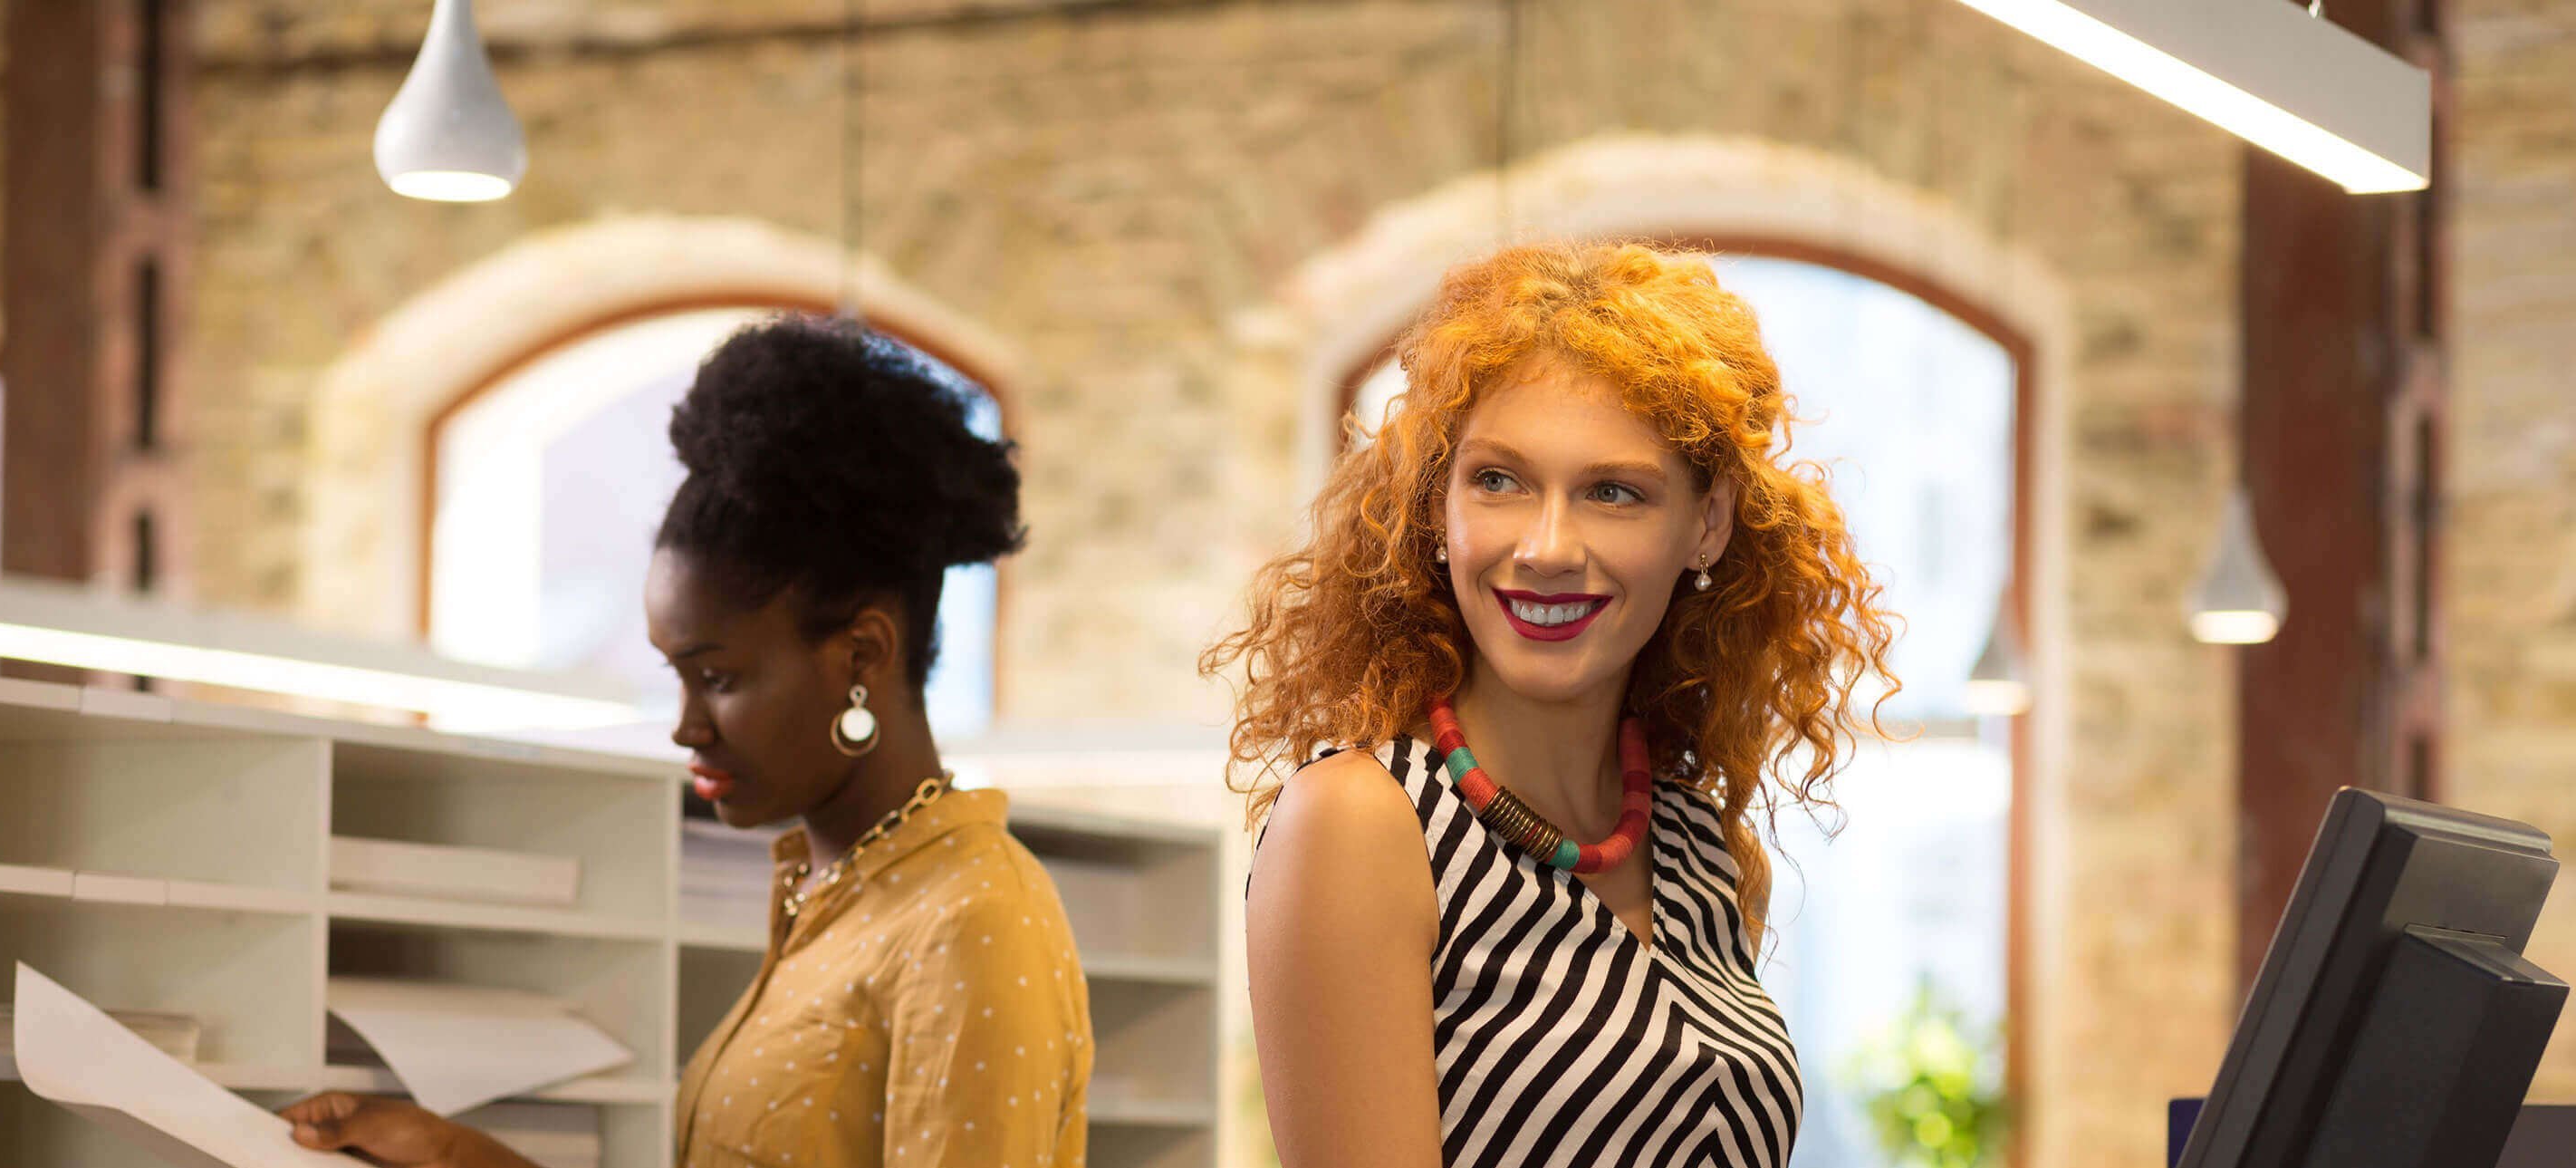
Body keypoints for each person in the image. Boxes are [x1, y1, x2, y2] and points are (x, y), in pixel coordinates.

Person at [283, 318, 1091, 1167]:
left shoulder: (968, 920)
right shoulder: (836, 895)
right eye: (677, 675)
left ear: (862, 653)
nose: (686, 724)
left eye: (720, 678)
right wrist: (449, 1153)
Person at [1206, 240, 1898, 1168]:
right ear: (1436, 507)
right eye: (1499, 479)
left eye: (1613, 492)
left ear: (1707, 522)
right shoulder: (1363, 824)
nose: (1545, 546)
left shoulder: (1703, 849)